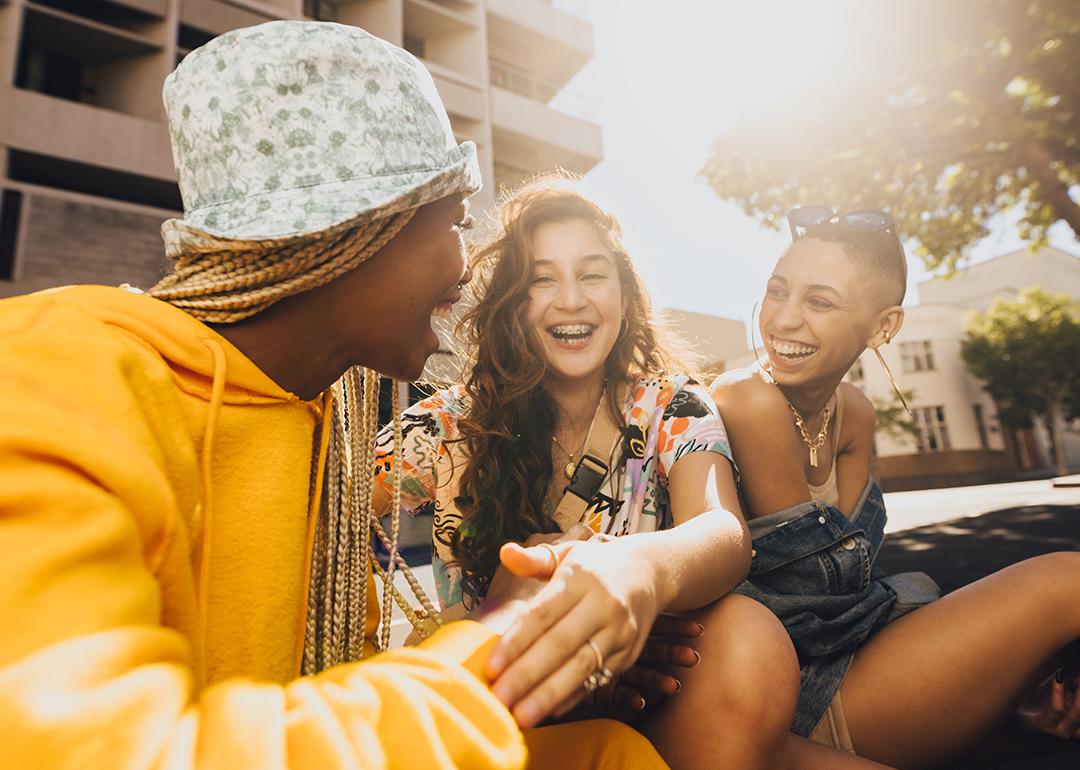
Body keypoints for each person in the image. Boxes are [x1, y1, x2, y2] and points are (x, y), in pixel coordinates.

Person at [0, 21, 670, 769]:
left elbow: (339, 679)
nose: (461, 273)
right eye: (452, 221)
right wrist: (496, 647)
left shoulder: (327, 420)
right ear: (353, 234)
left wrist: (539, 647)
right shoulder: (53, 373)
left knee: (612, 753)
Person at [372, 184, 896, 770]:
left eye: (593, 275)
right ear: (512, 301)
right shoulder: (446, 425)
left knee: (747, 634)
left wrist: (638, 569)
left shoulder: (674, 407)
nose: (570, 300)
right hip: (499, 709)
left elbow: (722, 531)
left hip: (651, 704)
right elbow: (330, 517)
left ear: (626, 295)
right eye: (542, 279)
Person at [710, 205, 1080, 768]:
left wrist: (991, 683)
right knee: (1066, 581)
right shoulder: (748, 399)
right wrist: (962, 655)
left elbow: (854, 591)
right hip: (795, 699)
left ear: (884, 326)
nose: (782, 320)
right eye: (777, 291)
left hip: (863, 659)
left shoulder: (853, 415)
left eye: (819, 301)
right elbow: (813, 605)